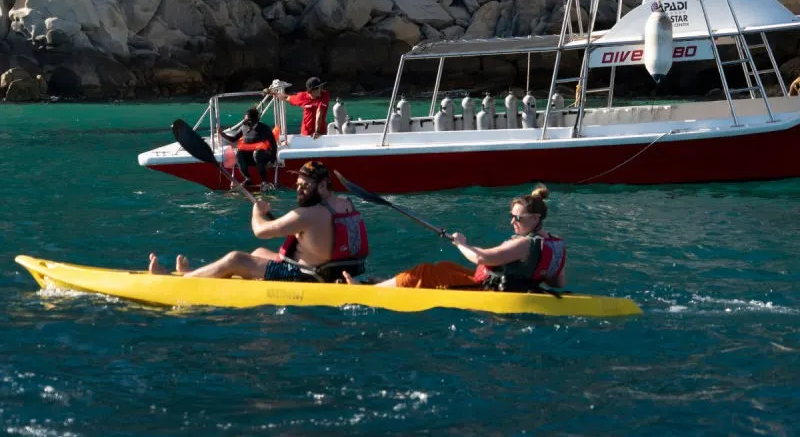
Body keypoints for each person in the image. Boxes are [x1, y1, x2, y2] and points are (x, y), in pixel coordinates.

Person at [148, 161, 369, 283]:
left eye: (306, 186)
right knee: (260, 252)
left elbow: (261, 230)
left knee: (236, 258)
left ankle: (184, 279)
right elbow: (318, 235)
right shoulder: (345, 203)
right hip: (335, 270)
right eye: (299, 185)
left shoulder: (307, 215)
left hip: (308, 277)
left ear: (322, 186)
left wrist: (257, 211)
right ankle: (205, 273)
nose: (300, 190)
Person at [345, 184, 565, 291]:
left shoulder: (524, 243)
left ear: (536, 218)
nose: (512, 222)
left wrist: (461, 243)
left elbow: (482, 259)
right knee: (445, 266)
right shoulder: (554, 242)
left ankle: (370, 291)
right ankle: (386, 284)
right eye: (511, 216)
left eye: (517, 217)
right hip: (502, 285)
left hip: (487, 291)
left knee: (424, 272)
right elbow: (557, 282)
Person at [220, 107, 277, 193]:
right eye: (245, 121)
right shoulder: (244, 127)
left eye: (249, 121)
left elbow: (273, 144)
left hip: (262, 157)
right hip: (250, 157)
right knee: (239, 154)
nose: (247, 123)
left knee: (257, 154)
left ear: (255, 120)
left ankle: (264, 181)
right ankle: (248, 178)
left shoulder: (264, 128)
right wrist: (222, 134)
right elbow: (233, 139)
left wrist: (272, 161)